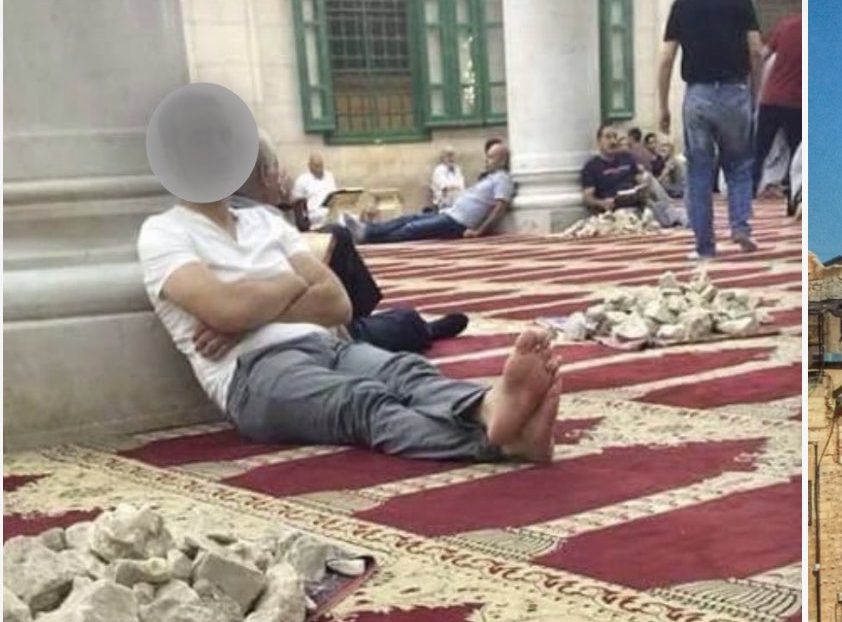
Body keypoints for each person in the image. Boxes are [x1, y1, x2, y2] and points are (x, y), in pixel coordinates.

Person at [137, 159, 562, 464]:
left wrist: (252, 309)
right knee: (363, 402)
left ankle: (490, 407)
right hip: (253, 374)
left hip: (324, 342)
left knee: (404, 372)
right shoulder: (163, 233)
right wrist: (288, 284)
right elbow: (226, 310)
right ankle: (500, 445)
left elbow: (336, 302)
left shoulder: (264, 224)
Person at [231, 133, 469, 355]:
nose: (283, 177)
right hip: (297, 344)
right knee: (403, 320)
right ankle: (415, 330)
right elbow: (334, 305)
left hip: (274, 326)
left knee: (338, 235)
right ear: (264, 174)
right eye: (276, 169)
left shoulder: (220, 221)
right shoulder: (259, 226)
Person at [656, 0, 762, 259]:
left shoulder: (683, 3)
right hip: (734, 91)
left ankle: (704, 246)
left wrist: (663, 106)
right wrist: (754, 96)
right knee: (738, 166)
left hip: (698, 95)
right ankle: (741, 227)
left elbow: (666, 58)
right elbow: (756, 51)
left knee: (699, 173)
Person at [345, 140, 514, 243]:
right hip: (449, 213)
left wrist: (479, 231)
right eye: (488, 156)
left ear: (503, 160)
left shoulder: (503, 179)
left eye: (491, 157)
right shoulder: (489, 177)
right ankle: (367, 230)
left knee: (412, 229)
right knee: (408, 218)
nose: (487, 160)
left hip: (458, 223)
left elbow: (500, 207)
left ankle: (368, 235)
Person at [579, 124, 687, 227]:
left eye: (614, 137)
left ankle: (672, 210)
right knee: (641, 215)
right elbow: (588, 197)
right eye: (608, 137)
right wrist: (602, 203)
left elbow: (638, 178)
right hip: (617, 209)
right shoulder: (591, 167)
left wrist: (644, 183)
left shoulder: (626, 158)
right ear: (598, 141)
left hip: (637, 201)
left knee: (650, 184)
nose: (612, 141)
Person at [752, 11, 800, 198]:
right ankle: (793, 192)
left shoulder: (785, 26)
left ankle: (750, 188)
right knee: (796, 150)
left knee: (760, 149)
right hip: (797, 101)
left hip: (771, 97)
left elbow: (762, 55)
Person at [292, 152, 338, 227]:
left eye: (321, 165)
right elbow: (297, 206)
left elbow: (335, 196)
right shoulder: (302, 180)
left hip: (332, 216)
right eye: (316, 166)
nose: (320, 169)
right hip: (315, 219)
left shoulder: (329, 176)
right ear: (309, 166)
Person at [429, 145, 466, 213]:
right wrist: (454, 187)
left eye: (453, 155)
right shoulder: (439, 170)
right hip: (443, 207)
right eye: (448, 155)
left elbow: (462, 187)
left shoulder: (457, 169)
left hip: (457, 205)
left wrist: (454, 187)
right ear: (443, 158)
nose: (451, 158)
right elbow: (445, 188)